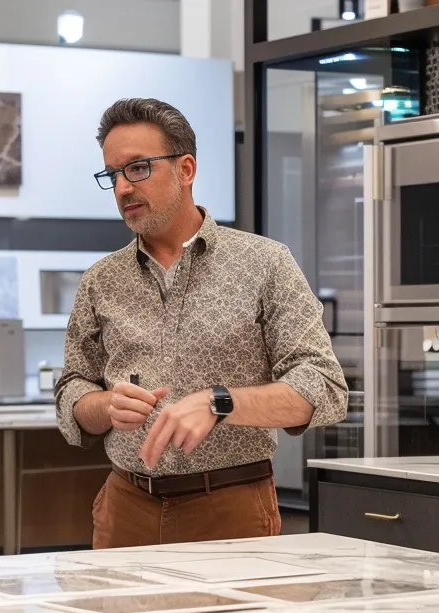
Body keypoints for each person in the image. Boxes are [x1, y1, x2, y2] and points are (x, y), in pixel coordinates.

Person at [54, 98, 348, 549]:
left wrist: (220, 402)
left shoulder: (264, 263)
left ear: (185, 168)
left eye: (137, 168)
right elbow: (72, 387)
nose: (122, 189)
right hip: (125, 509)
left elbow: (322, 386)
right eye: (111, 175)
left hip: (230, 509)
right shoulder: (100, 280)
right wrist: (104, 406)